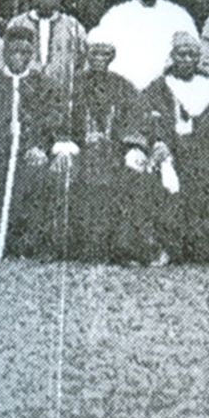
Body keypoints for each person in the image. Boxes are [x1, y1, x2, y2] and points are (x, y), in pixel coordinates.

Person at [0, 24, 73, 260]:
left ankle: (24, 244)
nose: (19, 57)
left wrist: (39, 146)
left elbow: (54, 120)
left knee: (34, 176)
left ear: (32, 54)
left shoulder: (44, 84)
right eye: (13, 51)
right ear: (4, 51)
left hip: (29, 151)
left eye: (25, 52)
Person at [129, 31, 209, 264]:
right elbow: (148, 120)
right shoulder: (159, 87)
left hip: (204, 151)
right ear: (173, 56)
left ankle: (205, 247)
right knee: (164, 180)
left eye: (193, 55)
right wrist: (160, 142)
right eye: (182, 54)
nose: (187, 60)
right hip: (170, 151)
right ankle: (166, 247)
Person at [65, 28, 145, 264]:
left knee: (132, 173)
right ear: (87, 55)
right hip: (80, 147)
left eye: (105, 53)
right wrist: (77, 138)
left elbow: (136, 118)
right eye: (94, 52)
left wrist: (129, 143)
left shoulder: (123, 86)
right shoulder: (73, 84)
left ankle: (122, 246)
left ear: (112, 56)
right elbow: (62, 116)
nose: (99, 57)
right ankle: (85, 246)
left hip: (116, 148)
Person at [94, 0, 200, 92]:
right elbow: (99, 54)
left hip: (167, 94)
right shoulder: (116, 15)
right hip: (122, 92)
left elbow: (193, 56)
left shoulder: (178, 15)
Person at [5, 0, 87, 121]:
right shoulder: (17, 24)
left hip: (62, 103)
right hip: (24, 101)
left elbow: (83, 66)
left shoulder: (73, 27)